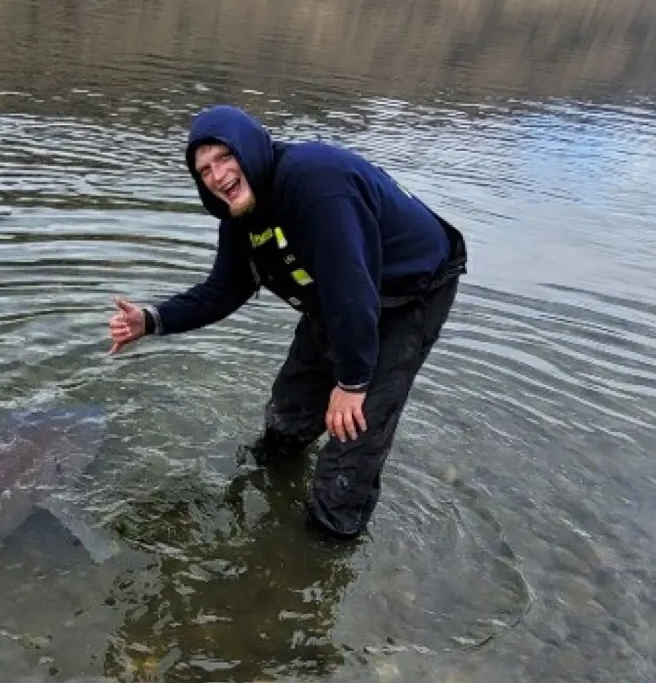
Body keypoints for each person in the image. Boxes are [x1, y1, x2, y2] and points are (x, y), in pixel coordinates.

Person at [108, 104, 466, 540]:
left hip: (409, 292)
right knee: (287, 419)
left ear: (252, 149)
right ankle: (275, 483)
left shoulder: (315, 183)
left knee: (351, 441)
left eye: (225, 158)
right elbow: (224, 289)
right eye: (204, 170)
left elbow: (351, 289)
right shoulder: (242, 215)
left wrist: (352, 384)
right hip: (331, 293)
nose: (218, 176)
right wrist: (152, 319)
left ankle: (322, 550)